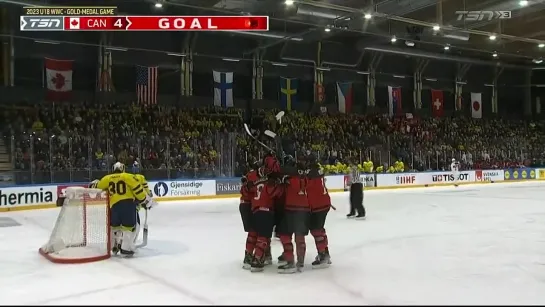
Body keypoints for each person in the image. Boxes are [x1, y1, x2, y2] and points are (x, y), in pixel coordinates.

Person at [90, 162, 152, 256]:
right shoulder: (128, 176)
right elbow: (137, 189)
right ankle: (126, 248)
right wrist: (144, 200)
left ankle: (113, 246)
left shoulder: (107, 178)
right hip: (127, 204)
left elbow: (97, 186)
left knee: (115, 226)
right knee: (129, 227)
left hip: (113, 206)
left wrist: (94, 184)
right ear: (123, 168)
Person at [249, 155, 283, 272]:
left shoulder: (258, 181)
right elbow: (277, 193)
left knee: (257, 235)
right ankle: (257, 259)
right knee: (263, 237)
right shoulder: (270, 182)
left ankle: (258, 256)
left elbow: (249, 192)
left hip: (255, 211)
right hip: (265, 211)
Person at [277, 156, 310, 273]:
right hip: (304, 210)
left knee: (284, 235)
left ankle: (290, 260)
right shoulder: (307, 179)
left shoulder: (289, 179)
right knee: (300, 237)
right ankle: (300, 262)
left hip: (291, 209)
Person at [305, 155, 332, 269]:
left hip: (318, 205)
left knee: (316, 230)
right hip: (324, 203)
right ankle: (325, 253)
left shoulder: (310, 173)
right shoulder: (317, 170)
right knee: (319, 229)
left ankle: (323, 255)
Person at [240, 160, 260, 270]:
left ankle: (250, 254)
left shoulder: (250, 175)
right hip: (249, 206)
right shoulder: (255, 176)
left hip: (246, 205)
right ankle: (249, 255)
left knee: (254, 231)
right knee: (254, 231)